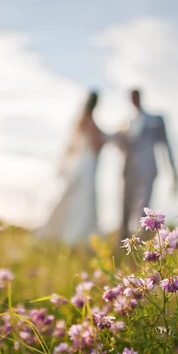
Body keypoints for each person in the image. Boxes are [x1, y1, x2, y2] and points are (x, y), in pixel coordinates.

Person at [36, 90, 107, 245]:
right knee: (84, 198)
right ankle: (76, 238)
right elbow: (96, 144)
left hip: (86, 163)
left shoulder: (84, 120)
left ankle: (75, 237)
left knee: (79, 198)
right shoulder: (88, 121)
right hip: (87, 164)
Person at [115, 89, 178, 241]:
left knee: (145, 207)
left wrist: (174, 172)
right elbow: (119, 143)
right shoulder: (125, 123)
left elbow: (166, 145)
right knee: (126, 207)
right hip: (129, 171)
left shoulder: (155, 120)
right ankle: (123, 242)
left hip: (148, 169)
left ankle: (146, 242)